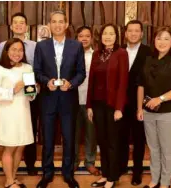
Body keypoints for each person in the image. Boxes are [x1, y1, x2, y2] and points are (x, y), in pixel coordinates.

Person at [33, 10, 85, 188]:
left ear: (66, 24)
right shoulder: (42, 46)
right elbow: (37, 71)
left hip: (68, 99)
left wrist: (70, 84)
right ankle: (47, 174)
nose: (57, 25)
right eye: (54, 21)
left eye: (61, 21)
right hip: (48, 99)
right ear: (49, 24)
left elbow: (81, 73)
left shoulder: (76, 46)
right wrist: (46, 81)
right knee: (47, 139)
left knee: (69, 139)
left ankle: (68, 174)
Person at [136, 27, 171, 188]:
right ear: (154, 40)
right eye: (159, 38)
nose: (162, 42)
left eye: (166, 38)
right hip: (148, 111)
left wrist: (160, 99)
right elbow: (141, 85)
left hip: (170, 112)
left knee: (167, 150)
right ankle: (154, 180)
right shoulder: (148, 59)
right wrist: (140, 108)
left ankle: (165, 183)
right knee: (153, 149)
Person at [0, 12, 39, 176]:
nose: (19, 25)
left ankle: (30, 164)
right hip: (8, 100)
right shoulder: (2, 45)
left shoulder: (34, 46)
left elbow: (36, 68)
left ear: (26, 26)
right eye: (16, 22)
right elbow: (0, 67)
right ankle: (9, 176)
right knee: (12, 138)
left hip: (29, 94)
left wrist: (35, 87)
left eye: (22, 22)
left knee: (29, 131)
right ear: (11, 26)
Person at [0, 38, 36, 188]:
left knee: (21, 145)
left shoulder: (27, 68)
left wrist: (33, 92)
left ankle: (13, 176)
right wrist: (13, 90)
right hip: (7, 112)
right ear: (7, 51)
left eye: (20, 50)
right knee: (10, 146)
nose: (17, 53)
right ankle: (9, 181)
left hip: (23, 111)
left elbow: (30, 94)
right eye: (14, 50)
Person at [87, 23, 129, 188]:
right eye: (105, 33)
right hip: (97, 104)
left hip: (112, 105)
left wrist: (119, 108)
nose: (108, 36)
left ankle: (113, 177)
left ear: (116, 36)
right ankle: (105, 174)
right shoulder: (96, 54)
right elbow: (91, 81)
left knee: (112, 142)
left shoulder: (121, 54)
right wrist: (89, 105)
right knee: (102, 141)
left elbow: (123, 82)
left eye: (111, 33)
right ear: (101, 36)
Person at [119, 20, 150, 186]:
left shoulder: (149, 52)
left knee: (139, 139)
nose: (133, 34)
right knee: (121, 136)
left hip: (140, 103)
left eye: (136, 31)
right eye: (130, 31)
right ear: (125, 33)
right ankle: (122, 166)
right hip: (120, 102)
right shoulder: (119, 50)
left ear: (142, 34)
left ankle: (137, 171)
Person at [73, 26, 99, 176]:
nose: (84, 38)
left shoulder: (95, 55)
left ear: (91, 38)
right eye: (81, 36)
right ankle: (74, 162)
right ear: (76, 38)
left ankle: (90, 162)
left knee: (91, 134)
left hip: (91, 102)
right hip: (73, 101)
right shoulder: (70, 55)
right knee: (73, 135)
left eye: (87, 36)